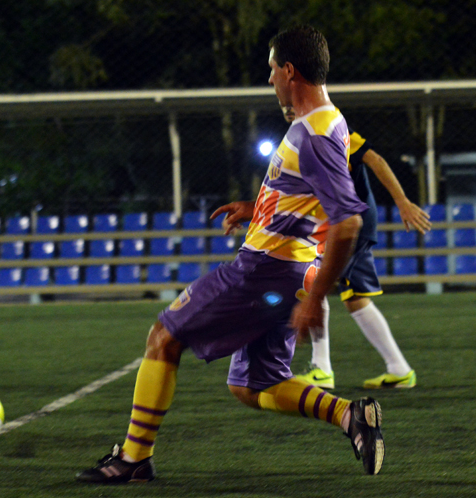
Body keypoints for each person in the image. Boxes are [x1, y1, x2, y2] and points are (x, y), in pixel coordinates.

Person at [76, 25, 385, 484]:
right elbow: (307, 197)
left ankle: (134, 457)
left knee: (163, 336)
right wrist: (256, 208)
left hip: (264, 272)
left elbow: (348, 221)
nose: (270, 81)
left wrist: (316, 298)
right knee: (252, 384)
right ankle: (350, 417)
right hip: (287, 270)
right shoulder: (326, 121)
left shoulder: (314, 134)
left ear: (289, 70)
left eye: (271, 71)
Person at [282, 107, 431, 390]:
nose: (288, 107)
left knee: (315, 279)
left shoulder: (333, 130)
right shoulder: (301, 140)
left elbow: (375, 159)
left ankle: (322, 369)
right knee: (351, 295)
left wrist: (402, 202)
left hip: (354, 221)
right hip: (341, 222)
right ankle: (399, 369)